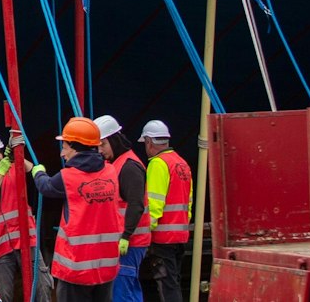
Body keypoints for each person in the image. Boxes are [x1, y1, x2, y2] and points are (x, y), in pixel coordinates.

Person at [34, 118, 123, 302]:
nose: (62, 153)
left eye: (65, 147)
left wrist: (38, 172)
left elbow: (46, 187)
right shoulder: (111, 171)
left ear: (74, 147)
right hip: (105, 268)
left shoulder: (68, 177)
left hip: (76, 269)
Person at [0, 130, 45, 302]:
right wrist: (2, 171)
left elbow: (36, 173)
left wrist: (17, 156)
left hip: (27, 239)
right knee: (2, 295)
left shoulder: (15, 169)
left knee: (41, 287)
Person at [136, 122, 192, 302]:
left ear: (149, 141)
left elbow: (153, 206)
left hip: (162, 238)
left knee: (167, 286)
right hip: (180, 236)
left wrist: (144, 233)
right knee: (173, 282)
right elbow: (188, 204)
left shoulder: (158, 164)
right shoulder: (182, 164)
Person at [95, 116, 148, 302]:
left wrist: (126, 235)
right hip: (123, 242)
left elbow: (136, 204)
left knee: (123, 293)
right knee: (126, 290)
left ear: (113, 140)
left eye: (102, 145)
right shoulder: (117, 164)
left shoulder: (129, 167)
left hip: (130, 244)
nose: (100, 151)